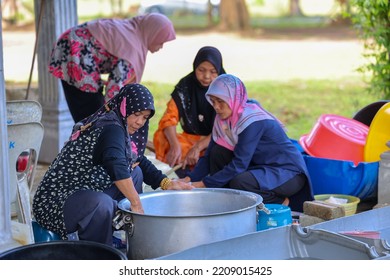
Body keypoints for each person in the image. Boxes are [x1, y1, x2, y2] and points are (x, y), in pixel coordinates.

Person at [32, 83, 192, 246]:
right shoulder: (110, 128)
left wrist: (167, 183)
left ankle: (121, 232)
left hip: (84, 190)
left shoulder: (121, 125)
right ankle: (101, 249)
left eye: (145, 117)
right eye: (136, 114)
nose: (139, 122)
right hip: (54, 203)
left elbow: (138, 160)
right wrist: (136, 205)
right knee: (102, 204)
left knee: (135, 173)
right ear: (124, 106)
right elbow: (116, 165)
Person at [184, 74, 314, 212]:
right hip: (260, 168)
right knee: (218, 153)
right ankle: (225, 201)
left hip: (287, 173)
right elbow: (209, 155)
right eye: (213, 101)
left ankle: (280, 201)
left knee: (240, 182)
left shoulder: (251, 120)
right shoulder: (222, 119)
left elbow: (239, 164)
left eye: (220, 101)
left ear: (233, 98)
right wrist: (189, 180)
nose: (216, 106)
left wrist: (203, 183)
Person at [48, 13, 176, 123]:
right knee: (93, 118)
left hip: (71, 46)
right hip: (75, 51)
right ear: (152, 33)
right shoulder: (132, 49)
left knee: (95, 115)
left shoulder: (133, 30)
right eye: (161, 41)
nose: (161, 47)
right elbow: (115, 92)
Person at [153, 46, 226, 177]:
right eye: (201, 70)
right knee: (162, 137)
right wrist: (175, 146)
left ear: (219, 70)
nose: (206, 76)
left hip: (216, 138)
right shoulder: (186, 85)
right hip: (189, 139)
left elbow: (226, 126)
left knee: (220, 150)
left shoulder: (226, 86)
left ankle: (197, 169)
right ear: (195, 67)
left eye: (213, 71)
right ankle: (185, 168)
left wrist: (198, 147)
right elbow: (169, 118)